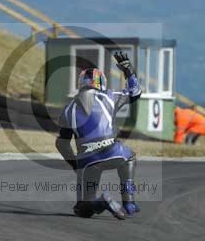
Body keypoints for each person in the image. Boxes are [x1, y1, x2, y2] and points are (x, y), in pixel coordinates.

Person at [56, 52, 142, 220]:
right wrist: (128, 70)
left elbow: (62, 144)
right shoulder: (111, 96)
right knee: (130, 157)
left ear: (81, 84)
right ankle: (129, 202)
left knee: (82, 209)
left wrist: (75, 164)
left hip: (87, 161)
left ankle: (102, 202)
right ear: (101, 83)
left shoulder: (67, 109)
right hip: (113, 151)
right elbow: (136, 92)